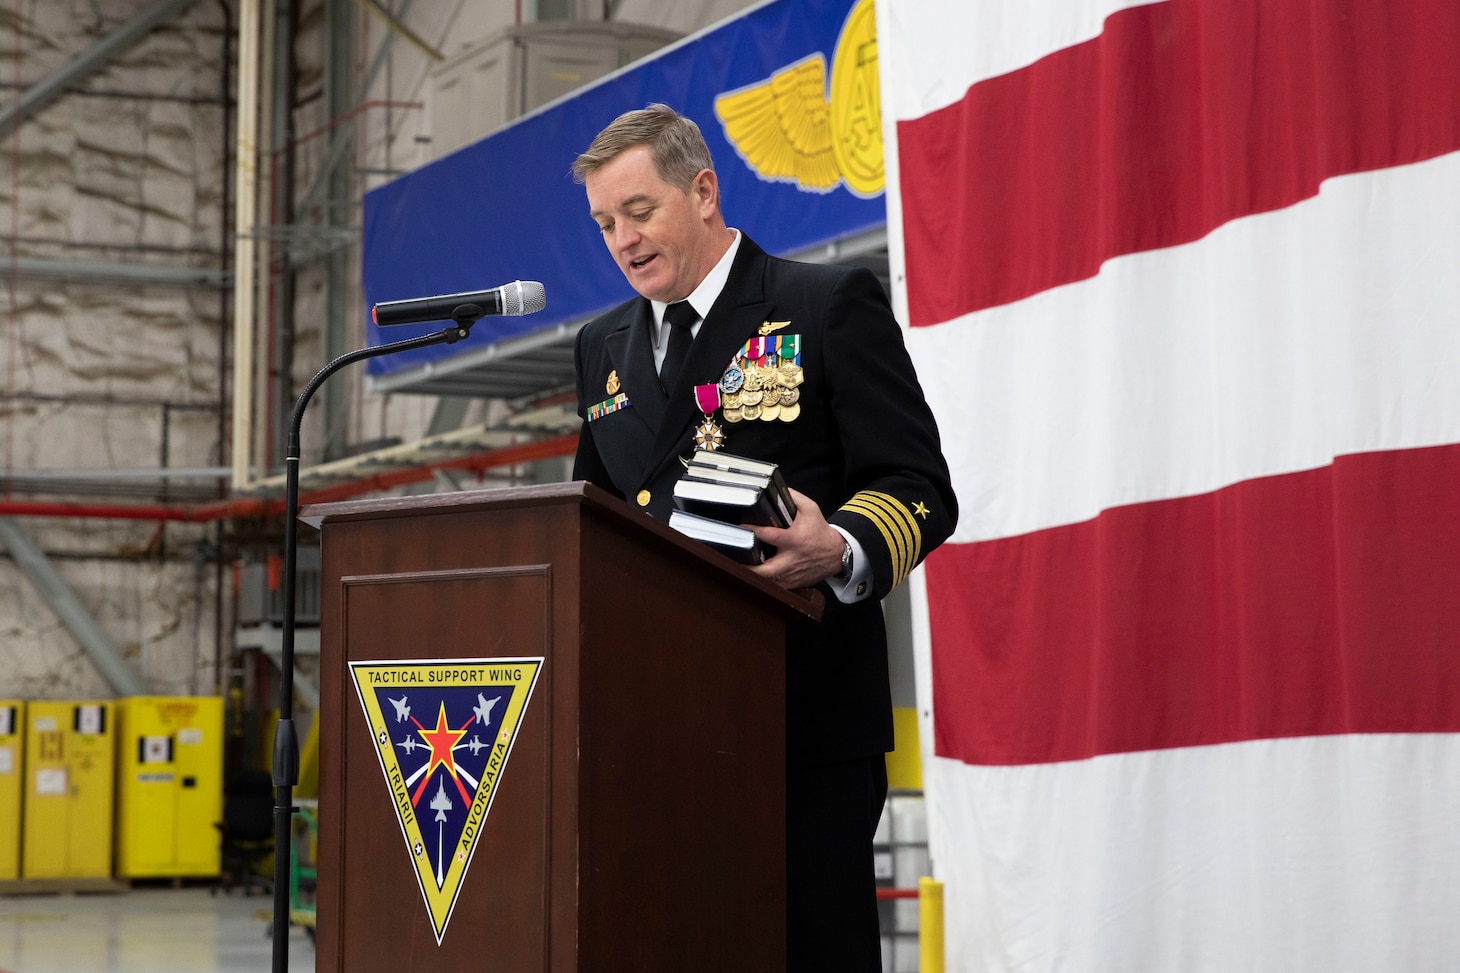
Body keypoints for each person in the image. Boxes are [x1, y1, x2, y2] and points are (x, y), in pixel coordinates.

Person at [570, 103, 957, 972]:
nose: (623, 241)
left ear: (703, 191)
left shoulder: (822, 304)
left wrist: (843, 548)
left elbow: (920, 487)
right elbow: (592, 521)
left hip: (800, 723)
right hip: (655, 728)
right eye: (604, 224)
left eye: (639, 211)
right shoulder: (601, 348)